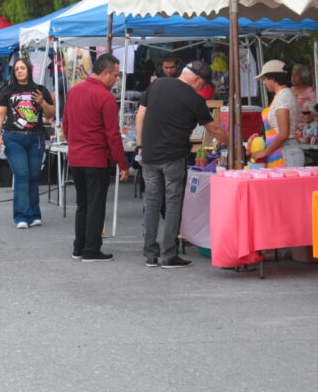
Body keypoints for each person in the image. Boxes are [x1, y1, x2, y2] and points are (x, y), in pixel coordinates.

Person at [137, 60, 225, 268]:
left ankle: (150, 254)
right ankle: (169, 255)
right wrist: (232, 142)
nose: (202, 90)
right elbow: (213, 129)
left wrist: (141, 145)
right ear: (196, 79)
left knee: (151, 203)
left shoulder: (157, 84)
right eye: (202, 86)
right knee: (174, 203)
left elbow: (141, 114)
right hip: (173, 157)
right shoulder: (194, 99)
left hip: (149, 156)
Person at [63, 53, 130, 263]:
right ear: (105, 72)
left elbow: (66, 124)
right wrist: (123, 163)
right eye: (116, 76)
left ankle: (79, 246)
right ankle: (91, 249)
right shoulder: (105, 97)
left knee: (82, 204)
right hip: (95, 158)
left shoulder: (74, 91)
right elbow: (113, 134)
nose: (116, 80)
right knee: (95, 205)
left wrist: (74, 144)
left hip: (76, 157)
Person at [0, 56, 55, 229]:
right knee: (22, 175)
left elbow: (51, 113)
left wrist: (41, 101)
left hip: (36, 138)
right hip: (14, 137)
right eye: (17, 68)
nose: (19, 70)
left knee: (34, 177)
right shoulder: (7, 90)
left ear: (29, 70)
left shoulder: (39, 89)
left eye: (23, 68)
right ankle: (21, 216)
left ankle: (34, 214)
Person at [249, 60, 304, 167]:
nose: (264, 83)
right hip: (281, 151)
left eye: (265, 79)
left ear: (273, 78)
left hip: (286, 153)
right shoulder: (281, 95)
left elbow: (283, 134)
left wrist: (265, 151)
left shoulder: (283, 96)